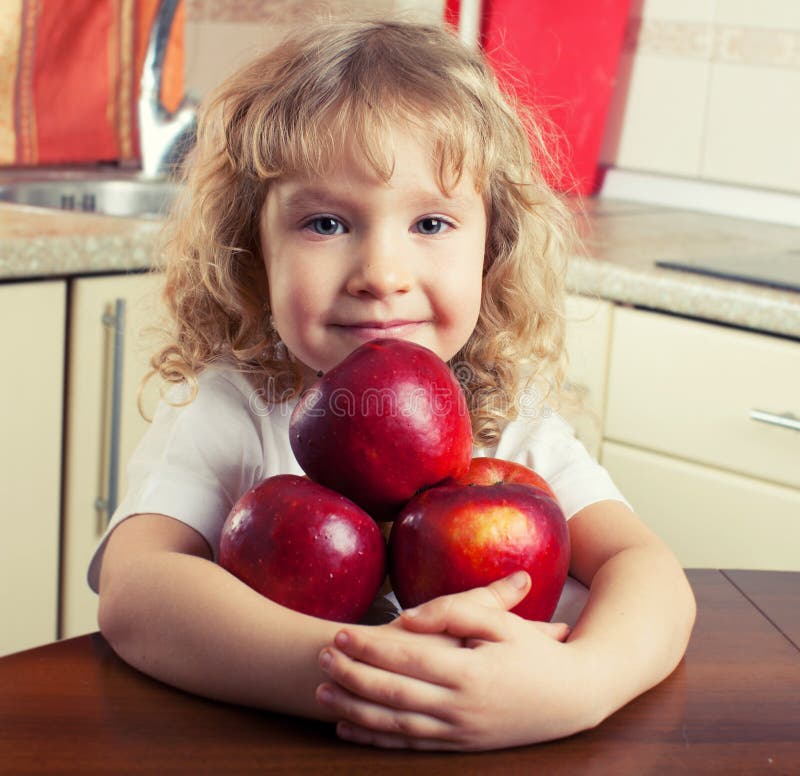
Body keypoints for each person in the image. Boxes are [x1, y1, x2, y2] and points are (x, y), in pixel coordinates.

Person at [92, 17, 696, 752]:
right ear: (255, 253)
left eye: (432, 223)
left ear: (492, 250)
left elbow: (650, 572)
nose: (381, 274)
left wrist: (582, 685)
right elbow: (136, 592)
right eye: (324, 223)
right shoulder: (236, 408)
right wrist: (370, 681)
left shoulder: (509, 423)